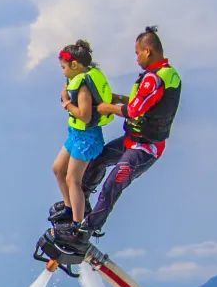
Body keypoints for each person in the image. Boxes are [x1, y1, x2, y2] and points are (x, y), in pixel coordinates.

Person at [56, 26, 181, 249]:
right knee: (97, 161)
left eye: (137, 53)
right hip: (131, 140)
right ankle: (81, 209)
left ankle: (87, 229)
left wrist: (108, 107)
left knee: (114, 182)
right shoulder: (161, 75)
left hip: (145, 148)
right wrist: (117, 98)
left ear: (148, 51)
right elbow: (139, 102)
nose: (136, 58)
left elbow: (134, 111)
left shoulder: (155, 78)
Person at [50, 40, 114, 235]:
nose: (63, 72)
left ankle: (78, 224)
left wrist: (67, 104)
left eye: (64, 67)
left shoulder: (84, 87)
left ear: (75, 65)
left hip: (87, 138)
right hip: (75, 134)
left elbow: (85, 115)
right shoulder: (75, 80)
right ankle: (70, 209)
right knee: (58, 169)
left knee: (72, 179)